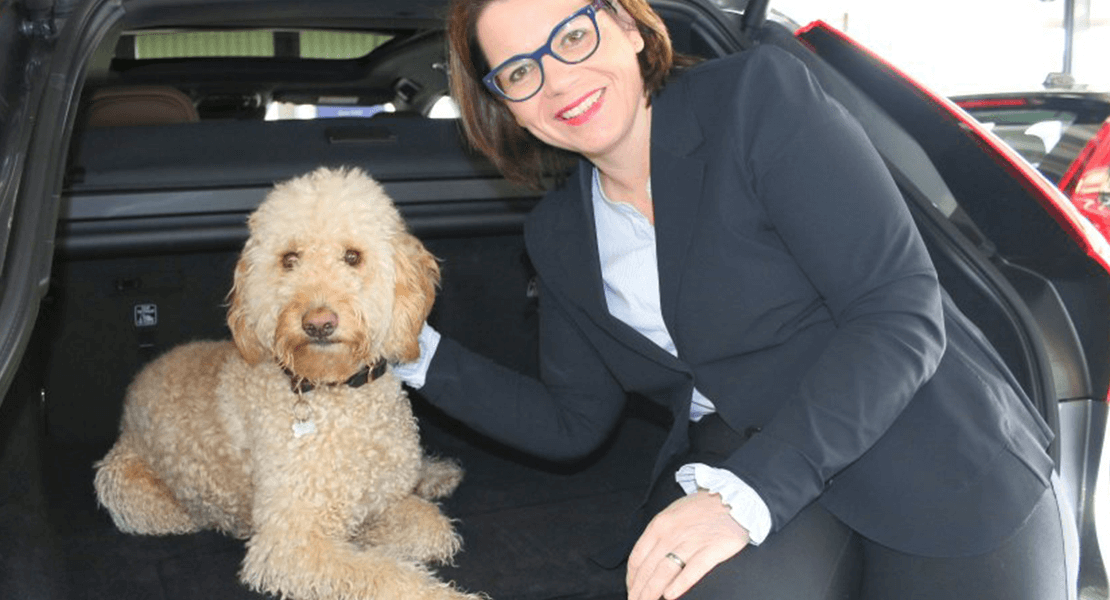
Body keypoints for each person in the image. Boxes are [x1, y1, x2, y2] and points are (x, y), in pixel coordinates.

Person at [393, 0, 1080, 597]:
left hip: (927, 442)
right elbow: (570, 421)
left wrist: (748, 496)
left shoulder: (755, 98)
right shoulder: (559, 232)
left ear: (629, 26)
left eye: (572, 36)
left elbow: (896, 308)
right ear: (504, 103)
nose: (557, 80)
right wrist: (407, 348)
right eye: (519, 71)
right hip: (743, 450)